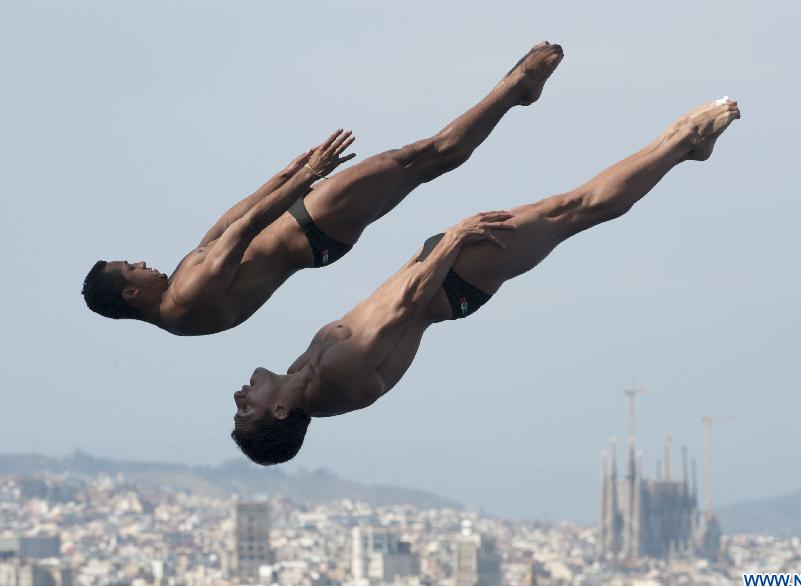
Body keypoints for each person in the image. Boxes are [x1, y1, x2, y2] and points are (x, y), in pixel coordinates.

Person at [230, 98, 742, 465]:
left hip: (442, 276)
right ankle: (683, 144)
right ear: (279, 410)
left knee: (568, 210)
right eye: (244, 412)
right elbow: (406, 304)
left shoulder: (304, 376)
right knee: (572, 211)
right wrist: (455, 239)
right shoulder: (332, 377)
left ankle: (678, 147)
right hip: (449, 279)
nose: (237, 398)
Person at [81, 43, 565, 335]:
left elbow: (226, 224)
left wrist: (283, 176)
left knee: (424, 164)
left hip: (311, 233)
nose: (142, 262)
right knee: (418, 157)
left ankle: (513, 93)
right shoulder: (186, 294)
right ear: (129, 293)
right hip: (309, 226)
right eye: (132, 268)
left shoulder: (179, 305)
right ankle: (515, 88)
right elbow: (246, 227)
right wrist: (308, 176)